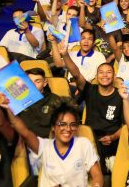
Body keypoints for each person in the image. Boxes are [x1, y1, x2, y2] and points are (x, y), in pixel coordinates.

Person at [51, 38, 122, 174]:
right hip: (89, 139)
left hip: (111, 141)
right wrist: (65, 55)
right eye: (101, 72)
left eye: (109, 72)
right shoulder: (90, 90)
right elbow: (76, 74)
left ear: (114, 76)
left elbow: (124, 126)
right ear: (96, 76)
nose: (105, 75)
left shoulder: (120, 96)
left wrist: (113, 137)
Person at [0, 99, 103, 187]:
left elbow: (97, 175)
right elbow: (24, 132)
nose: (68, 129)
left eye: (73, 125)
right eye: (62, 124)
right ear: (53, 127)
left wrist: (97, 185)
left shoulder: (83, 144)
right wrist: (8, 108)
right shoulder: (44, 146)